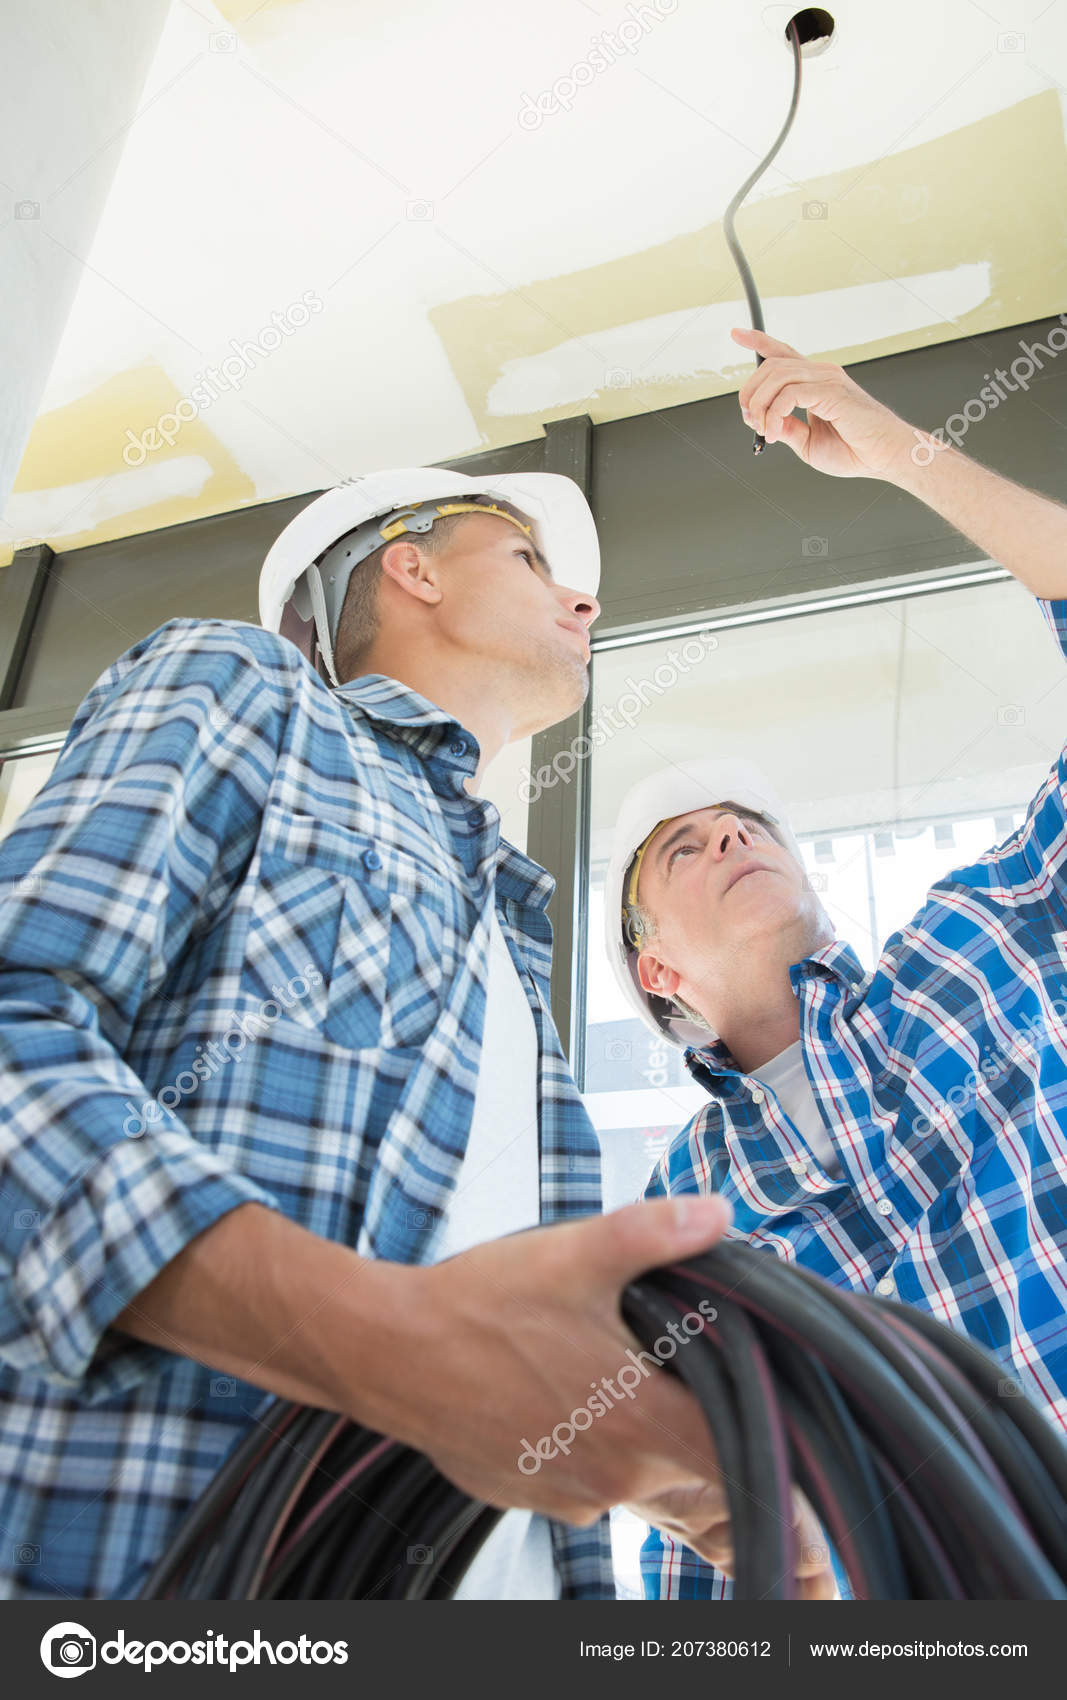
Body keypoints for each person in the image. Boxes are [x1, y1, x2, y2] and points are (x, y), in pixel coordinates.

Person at [0, 463, 830, 1603]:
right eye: (533, 561)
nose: (584, 602)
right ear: (412, 565)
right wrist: (388, 1345)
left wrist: (662, 1469)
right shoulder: (243, 690)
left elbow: (487, 1343)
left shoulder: (504, 933)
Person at [604, 326, 1067, 1599]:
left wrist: (901, 453)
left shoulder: (967, 951)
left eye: (750, 827)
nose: (734, 838)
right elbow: (703, 1536)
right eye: (685, 850)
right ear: (657, 975)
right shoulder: (681, 1221)